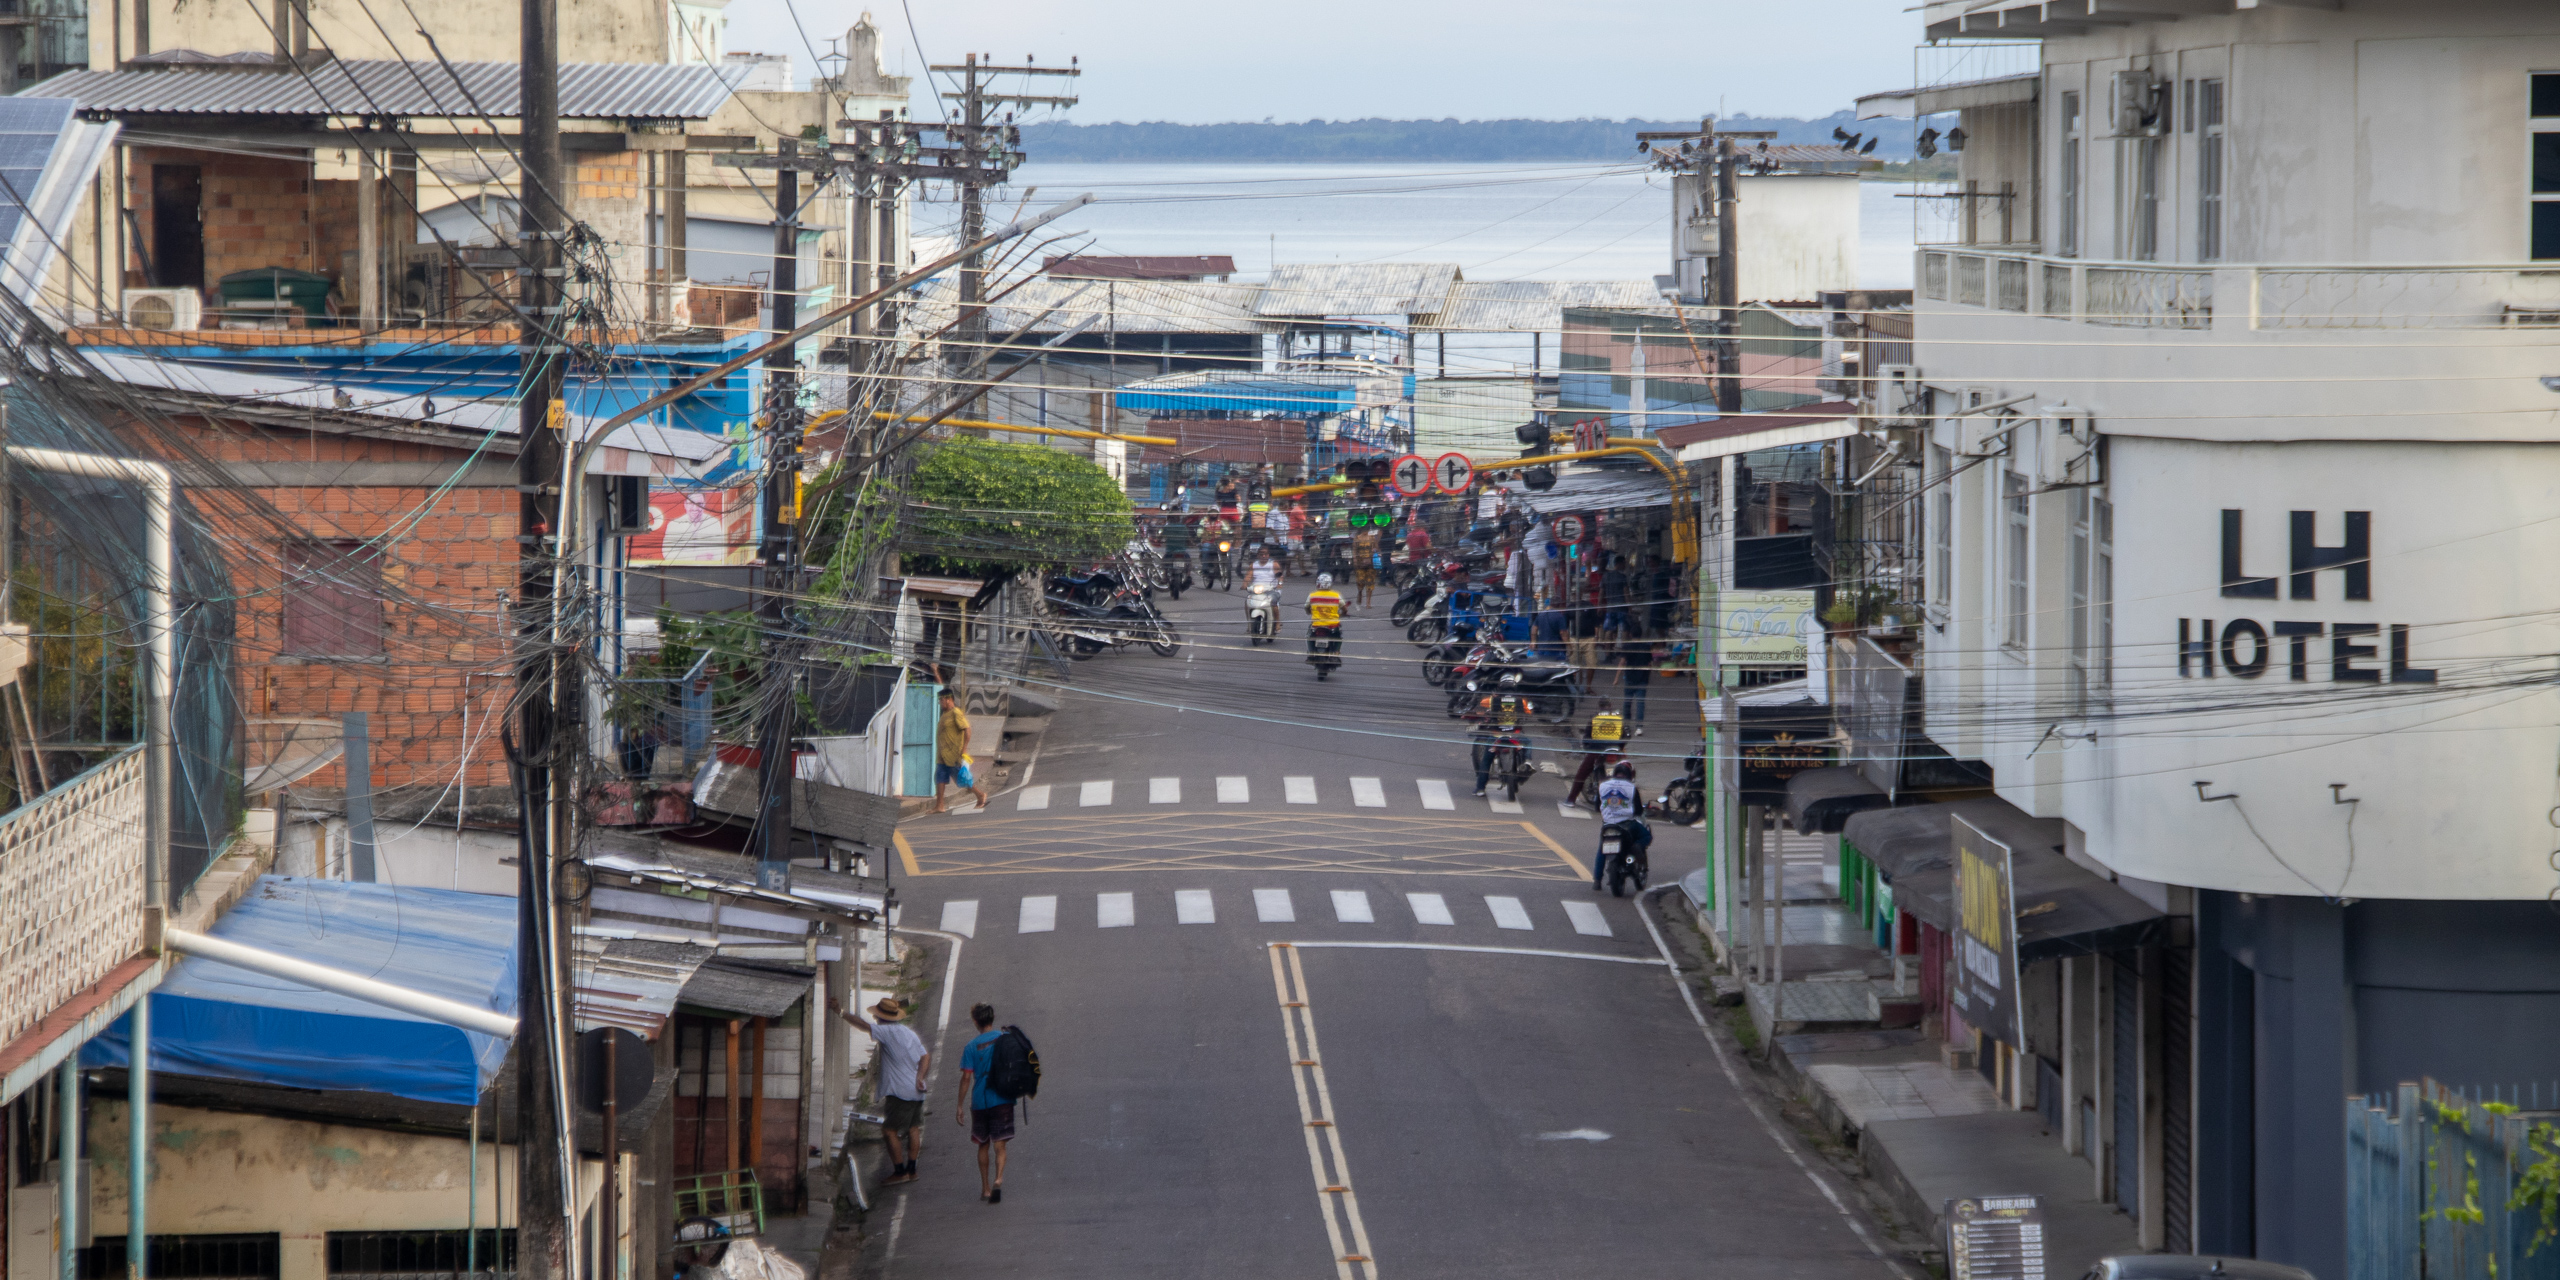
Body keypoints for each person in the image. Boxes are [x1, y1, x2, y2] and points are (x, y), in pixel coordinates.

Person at [835, 995, 930, 1185]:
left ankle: (900, 1171)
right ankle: (912, 1170)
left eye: (877, 1016)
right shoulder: (908, 1032)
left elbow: (863, 1025)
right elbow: (925, 1056)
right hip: (916, 1089)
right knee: (913, 1128)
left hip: (899, 1092)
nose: (875, 1019)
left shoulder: (886, 1031)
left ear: (882, 1017)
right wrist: (919, 1077)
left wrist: (841, 1011)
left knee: (889, 1131)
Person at [956, 1003, 1013, 1204]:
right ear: (992, 1018)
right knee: (1000, 1144)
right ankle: (999, 1177)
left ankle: (986, 1189)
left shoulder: (971, 1047)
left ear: (975, 1022)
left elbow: (966, 1078)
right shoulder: (1005, 1039)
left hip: (980, 1101)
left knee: (982, 1144)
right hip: (1002, 1098)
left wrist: (960, 1105)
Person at [1592, 760, 1651, 890]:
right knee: (1646, 835)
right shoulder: (1631, 788)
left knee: (1602, 850)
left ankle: (1597, 880)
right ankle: (1636, 847)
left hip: (1607, 825)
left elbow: (1597, 806)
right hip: (1627, 825)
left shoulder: (1603, 785)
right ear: (1630, 774)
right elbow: (1638, 811)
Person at [1470, 684, 1535, 798]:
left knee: (1486, 760)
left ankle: (1480, 788)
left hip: (1496, 736)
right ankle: (1527, 762)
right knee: (1528, 743)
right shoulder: (1521, 701)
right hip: (1515, 736)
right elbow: (1529, 712)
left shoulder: (1491, 700)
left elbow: (1481, 707)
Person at [932, 689, 988, 813]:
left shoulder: (956, 713)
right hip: (942, 755)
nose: (940, 703)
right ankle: (939, 805)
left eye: (941, 700)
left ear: (948, 699)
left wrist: (964, 748)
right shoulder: (945, 714)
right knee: (940, 778)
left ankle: (980, 795)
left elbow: (967, 729)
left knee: (961, 778)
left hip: (953, 754)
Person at [1565, 700, 1626, 808]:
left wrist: (1587, 747)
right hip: (1615, 751)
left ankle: (1571, 799)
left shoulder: (1595, 717)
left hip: (1597, 751)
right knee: (1627, 771)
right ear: (1610, 705)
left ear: (1600, 706)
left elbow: (1587, 737)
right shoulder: (1619, 717)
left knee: (1581, 774)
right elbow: (1625, 735)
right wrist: (1619, 747)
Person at [1619, 637, 1655, 735]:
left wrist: (1616, 678)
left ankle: (1626, 725)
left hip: (1629, 678)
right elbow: (1650, 664)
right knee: (1640, 704)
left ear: (1631, 634)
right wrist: (1648, 676)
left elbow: (1622, 662)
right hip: (1642, 678)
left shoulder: (1627, 646)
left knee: (1627, 702)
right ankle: (1639, 728)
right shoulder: (1646, 647)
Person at [1351, 522, 1382, 608]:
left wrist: (1375, 550)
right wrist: (1355, 561)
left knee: (1370, 582)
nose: (1366, 532)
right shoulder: (1357, 539)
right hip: (1360, 564)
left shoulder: (1372, 538)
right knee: (1360, 581)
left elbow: (1377, 548)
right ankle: (1360, 592)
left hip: (1371, 563)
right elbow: (1354, 550)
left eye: (1367, 530)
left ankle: (1368, 602)